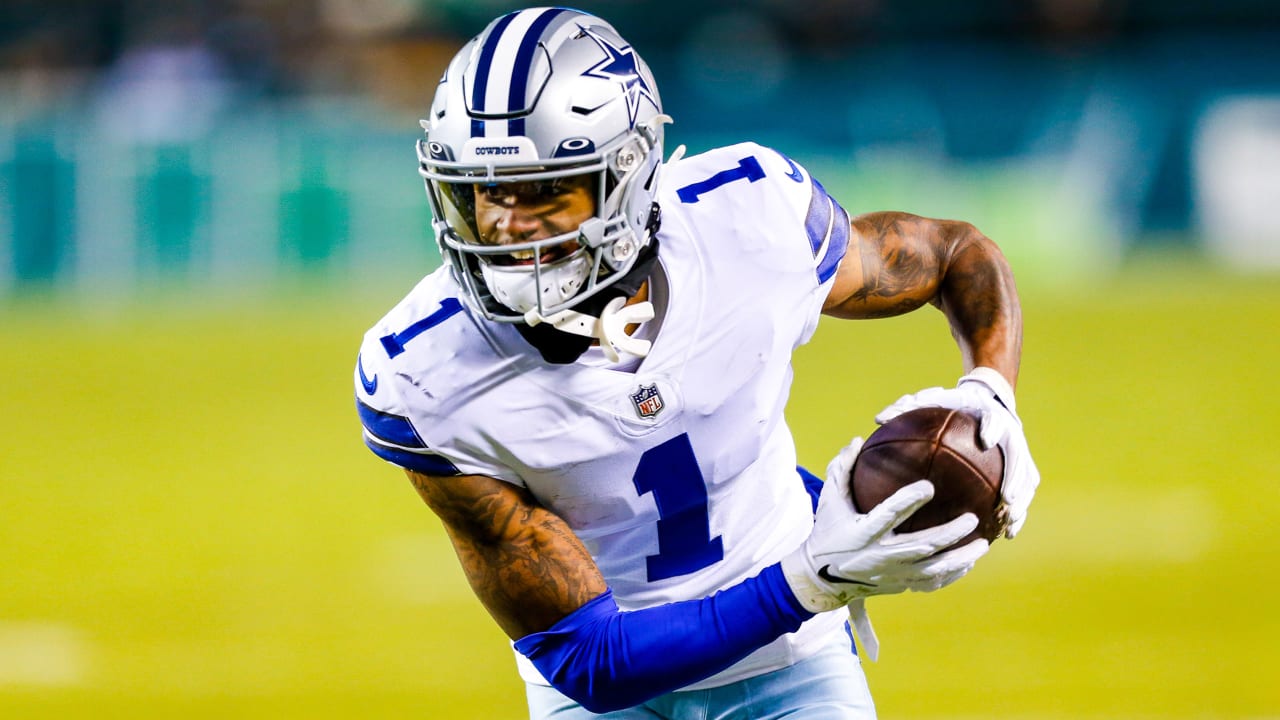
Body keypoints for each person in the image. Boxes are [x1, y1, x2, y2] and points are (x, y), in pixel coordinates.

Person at [354, 7, 1039, 718]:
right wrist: (805, 581)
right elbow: (592, 661)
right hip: (609, 696)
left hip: (793, 667)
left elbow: (956, 254)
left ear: (625, 173)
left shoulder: (749, 218)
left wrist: (992, 392)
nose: (506, 226)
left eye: (545, 190)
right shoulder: (425, 375)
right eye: (484, 193)